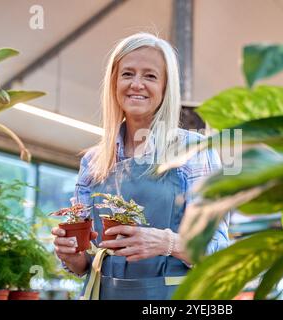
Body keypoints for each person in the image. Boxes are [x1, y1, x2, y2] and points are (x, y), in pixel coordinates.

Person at [51, 32, 229, 300]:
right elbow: (85, 264)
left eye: (150, 76)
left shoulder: (194, 152)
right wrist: (70, 254)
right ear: (113, 83)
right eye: (127, 74)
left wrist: (165, 242)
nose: (137, 84)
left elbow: (218, 251)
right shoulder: (94, 161)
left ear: (166, 87)